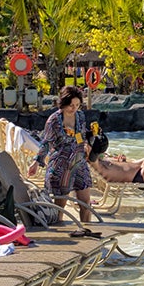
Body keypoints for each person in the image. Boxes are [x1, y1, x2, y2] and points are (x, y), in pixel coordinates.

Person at [39, 85, 97, 223]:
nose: (74, 108)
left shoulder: (81, 116)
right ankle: (59, 237)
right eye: (71, 105)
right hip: (61, 166)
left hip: (79, 162)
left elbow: (82, 134)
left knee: (86, 203)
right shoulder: (54, 120)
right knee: (61, 206)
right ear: (63, 103)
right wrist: (37, 162)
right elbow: (46, 142)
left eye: (77, 105)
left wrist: (92, 140)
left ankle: (87, 232)